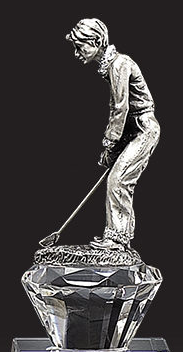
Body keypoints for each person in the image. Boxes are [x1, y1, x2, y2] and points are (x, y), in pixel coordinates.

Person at [66, 18, 160, 250]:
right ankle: (120, 237)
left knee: (118, 180)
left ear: (96, 41)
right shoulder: (111, 67)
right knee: (118, 180)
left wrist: (110, 144)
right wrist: (114, 147)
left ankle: (117, 240)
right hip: (132, 130)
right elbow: (121, 112)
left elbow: (120, 108)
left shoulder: (119, 64)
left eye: (80, 46)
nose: (76, 53)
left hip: (143, 130)